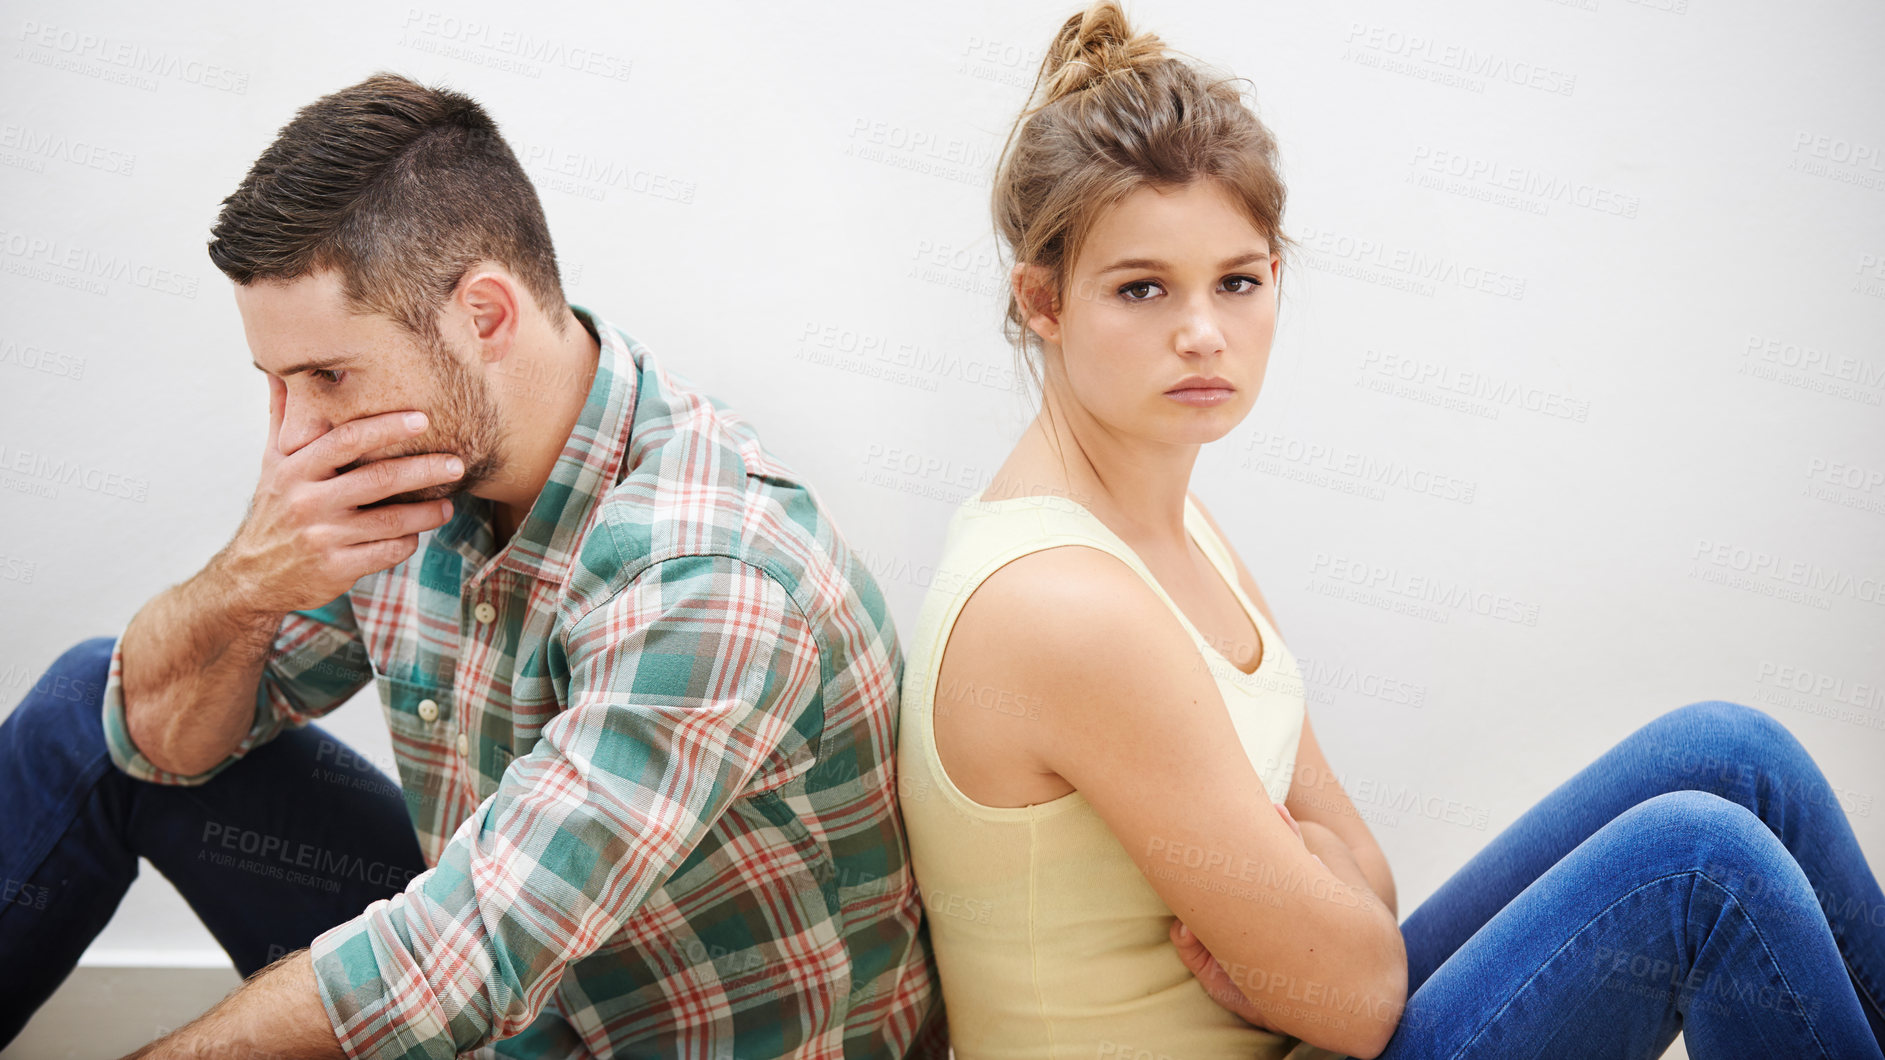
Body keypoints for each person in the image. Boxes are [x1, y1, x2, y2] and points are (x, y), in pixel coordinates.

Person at [893, 4, 1885, 1058]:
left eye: (1236, 281)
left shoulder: (1169, 522)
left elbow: (1366, 889)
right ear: (1042, 300)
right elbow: (1362, 995)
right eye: (1142, 288)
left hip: (1312, 1037)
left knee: (1733, 755)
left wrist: (1315, 910)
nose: (1201, 332)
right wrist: (1319, 930)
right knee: (1699, 869)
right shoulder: (1063, 603)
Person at [0, 73, 947, 1059]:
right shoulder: (403, 474)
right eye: (275, 385)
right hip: (507, 990)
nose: (295, 436)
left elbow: (465, 960)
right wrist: (249, 576)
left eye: (326, 374)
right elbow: (155, 742)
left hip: (629, 1029)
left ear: (485, 316)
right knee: (86, 698)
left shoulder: (710, 570)